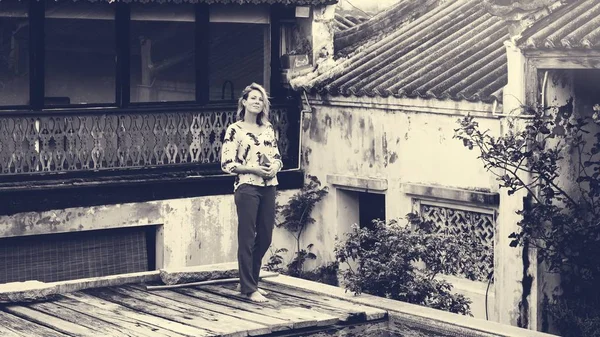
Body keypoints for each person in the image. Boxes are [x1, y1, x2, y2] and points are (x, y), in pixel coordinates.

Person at [220, 83, 283, 303]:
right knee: (247, 238)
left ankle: (249, 280)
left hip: (269, 186)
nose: (257, 102)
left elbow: (276, 157)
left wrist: (275, 167)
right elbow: (227, 164)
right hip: (246, 186)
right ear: (244, 102)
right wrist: (253, 169)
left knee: (265, 236)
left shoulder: (268, 129)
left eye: (261, 99)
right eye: (253, 98)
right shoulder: (235, 130)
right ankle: (248, 288)